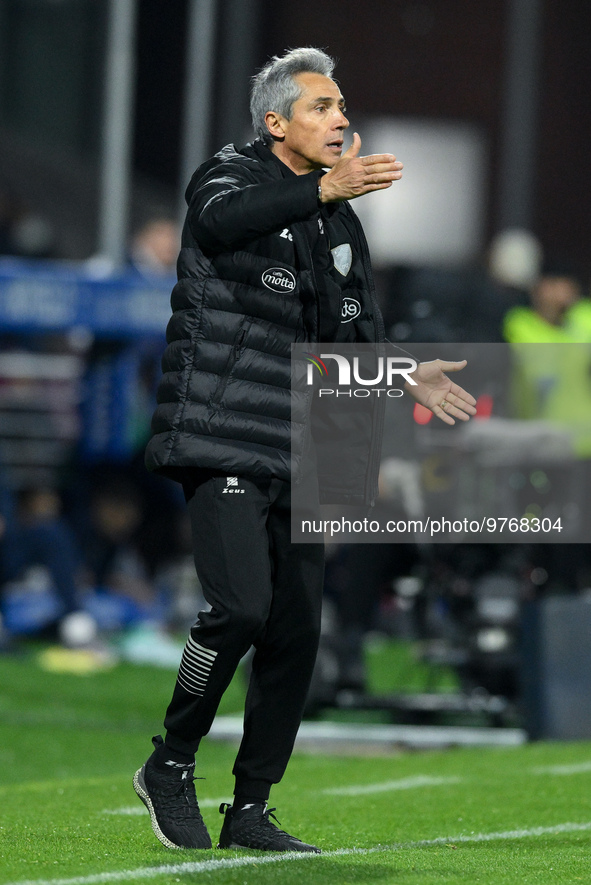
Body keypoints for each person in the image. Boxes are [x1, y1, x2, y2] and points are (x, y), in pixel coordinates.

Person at [133, 47, 476, 854]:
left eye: (342, 106)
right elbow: (219, 225)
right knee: (240, 608)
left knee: (294, 631)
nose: (340, 119)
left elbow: (346, 342)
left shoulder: (340, 223)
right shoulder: (225, 177)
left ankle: (250, 805)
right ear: (275, 121)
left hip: (309, 444)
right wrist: (323, 188)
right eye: (321, 107)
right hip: (223, 431)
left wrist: (402, 375)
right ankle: (171, 761)